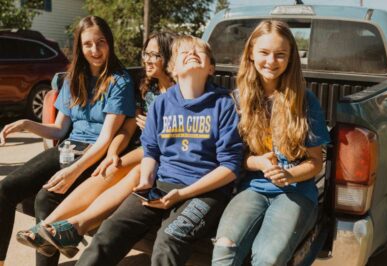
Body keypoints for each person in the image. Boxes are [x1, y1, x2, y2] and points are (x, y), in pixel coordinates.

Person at [70, 35, 243, 266]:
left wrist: (183, 194)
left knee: (170, 238)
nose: (191, 53)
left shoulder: (223, 104)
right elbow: (151, 151)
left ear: (211, 68)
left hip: (206, 192)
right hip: (161, 184)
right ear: (173, 68)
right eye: (184, 52)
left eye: (199, 52)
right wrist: (145, 180)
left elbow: (230, 167)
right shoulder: (162, 104)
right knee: (113, 227)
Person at [15, 31, 177, 259]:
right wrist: (112, 152)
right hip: (141, 151)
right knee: (109, 168)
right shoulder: (147, 88)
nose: (148, 60)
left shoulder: (181, 94)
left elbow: (175, 141)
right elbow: (128, 129)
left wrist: (151, 132)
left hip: (161, 156)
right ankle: (47, 227)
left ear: (170, 58)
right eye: (146, 53)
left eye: (155, 55)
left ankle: (70, 226)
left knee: (125, 170)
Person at [0, 16, 135, 266]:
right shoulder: (74, 77)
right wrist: (27, 124)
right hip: (68, 147)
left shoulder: (119, 81)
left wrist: (74, 171)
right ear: (79, 47)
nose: (95, 50)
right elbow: (59, 129)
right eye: (88, 44)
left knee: (45, 199)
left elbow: (105, 139)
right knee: (6, 188)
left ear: (110, 43)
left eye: (100, 42)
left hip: (95, 155)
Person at [211, 20, 331, 266]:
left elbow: (316, 162)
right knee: (224, 250)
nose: (271, 61)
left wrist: (289, 174)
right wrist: (258, 162)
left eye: (280, 55)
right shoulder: (236, 100)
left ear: (290, 59)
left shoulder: (304, 100)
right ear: (251, 54)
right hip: (252, 188)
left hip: (296, 191)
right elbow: (232, 157)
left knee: (268, 258)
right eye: (264, 53)